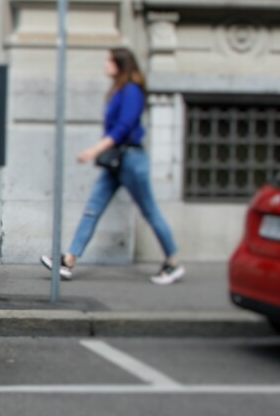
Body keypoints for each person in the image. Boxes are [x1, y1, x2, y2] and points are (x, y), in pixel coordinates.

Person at [41, 47, 185, 285]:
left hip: (131, 160)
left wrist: (93, 151)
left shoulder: (131, 91)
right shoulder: (119, 90)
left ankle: (173, 262)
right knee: (92, 208)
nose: (105, 64)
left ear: (120, 64)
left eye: (109, 60)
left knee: (150, 211)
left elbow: (123, 128)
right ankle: (69, 260)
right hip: (117, 160)